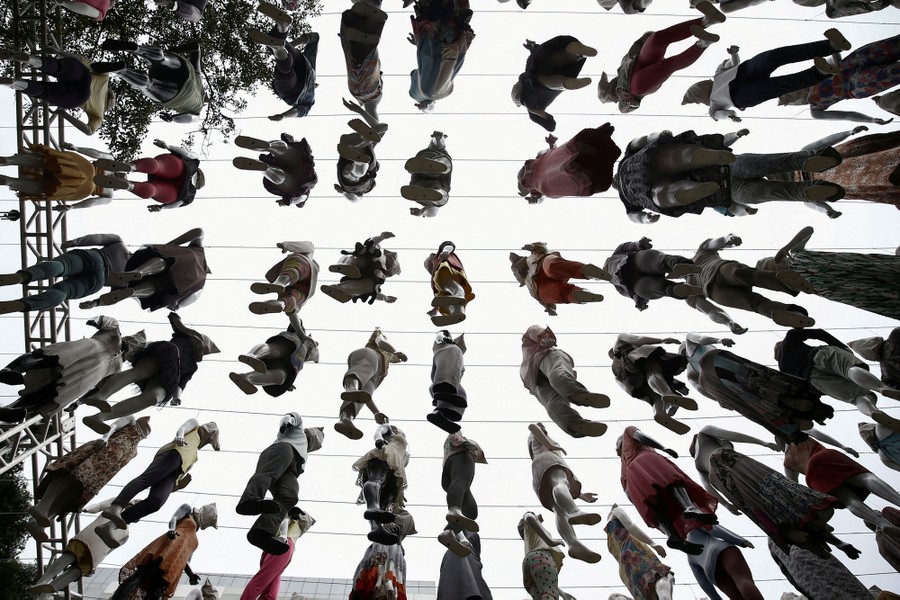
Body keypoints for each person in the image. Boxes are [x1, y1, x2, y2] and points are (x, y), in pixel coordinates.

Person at [691, 427, 859, 560]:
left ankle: (826, 540)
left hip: (728, 488)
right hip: (732, 462)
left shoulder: (698, 464)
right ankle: (835, 539)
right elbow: (733, 435)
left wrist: (727, 505)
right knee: (778, 492)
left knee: (769, 512)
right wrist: (762, 442)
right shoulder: (705, 432)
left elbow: (708, 487)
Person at [682, 333, 833, 445]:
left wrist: (720, 400)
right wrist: (718, 340)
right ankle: (795, 402)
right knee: (760, 381)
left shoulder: (690, 372)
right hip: (717, 362)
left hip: (716, 386)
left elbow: (701, 389)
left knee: (754, 403)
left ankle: (790, 418)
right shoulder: (689, 345)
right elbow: (698, 338)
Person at [80, 312, 218, 433]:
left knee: (154, 397)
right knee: (140, 372)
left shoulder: (192, 366)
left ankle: (99, 418)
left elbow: (181, 384)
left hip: (170, 378)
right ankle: (100, 396)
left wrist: (177, 397)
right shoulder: (186, 336)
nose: (203, 348)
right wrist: (182, 322)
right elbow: (175, 320)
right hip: (167, 355)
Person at [25, 416, 150, 542]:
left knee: (75, 494)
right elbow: (114, 426)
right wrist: (104, 437)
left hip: (103, 472)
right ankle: (42, 507)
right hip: (99, 453)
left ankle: (40, 522)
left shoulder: (135, 451)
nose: (146, 431)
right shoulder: (132, 422)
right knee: (71, 476)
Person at [94, 419, 219, 545]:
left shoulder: (194, 458)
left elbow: (175, 484)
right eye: (209, 439)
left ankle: (110, 527)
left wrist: (179, 485)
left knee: (155, 503)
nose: (207, 441)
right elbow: (182, 428)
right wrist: (180, 437)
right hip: (174, 453)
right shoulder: (195, 426)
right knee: (145, 480)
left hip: (174, 473)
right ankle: (116, 506)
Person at [681, 29, 851, 121]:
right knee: (781, 85)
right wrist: (731, 115)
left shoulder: (717, 75)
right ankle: (820, 72)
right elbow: (719, 115)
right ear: (699, 96)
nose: (702, 86)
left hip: (744, 72)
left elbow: (731, 64)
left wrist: (733, 54)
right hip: (739, 96)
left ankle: (830, 46)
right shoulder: (712, 106)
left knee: (773, 56)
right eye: (697, 90)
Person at [0, 316, 141, 423]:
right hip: (86, 356)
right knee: (47, 358)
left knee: (48, 393)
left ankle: (12, 409)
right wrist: (97, 320)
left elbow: (100, 388)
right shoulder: (115, 335)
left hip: (86, 374)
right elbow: (107, 321)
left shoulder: (118, 367)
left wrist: (78, 402)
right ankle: (10, 372)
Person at [598, 3, 726, 113]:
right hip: (638, 85)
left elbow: (634, 49)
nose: (611, 90)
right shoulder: (623, 102)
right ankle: (702, 43)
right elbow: (626, 109)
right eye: (608, 94)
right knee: (669, 65)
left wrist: (644, 39)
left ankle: (706, 21)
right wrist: (626, 100)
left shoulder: (621, 70)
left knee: (657, 39)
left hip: (639, 63)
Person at [757, 226, 900, 321]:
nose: (774, 265)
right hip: (850, 287)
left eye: (770, 262)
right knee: (882, 295)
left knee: (883, 272)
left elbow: (809, 229)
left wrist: (786, 248)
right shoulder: (791, 283)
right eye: (769, 267)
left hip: (855, 268)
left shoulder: (795, 254)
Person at [617, 426, 718, 555]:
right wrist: (663, 448)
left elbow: (628, 492)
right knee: (672, 480)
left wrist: (640, 503)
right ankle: (689, 506)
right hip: (645, 459)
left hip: (633, 483)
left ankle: (672, 535)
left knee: (657, 506)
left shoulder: (623, 466)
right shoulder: (628, 433)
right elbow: (641, 437)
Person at [776, 327, 900, 431]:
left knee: (857, 398)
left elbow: (805, 390)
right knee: (849, 369)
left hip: (815, 381)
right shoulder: (789, 339)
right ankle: (881, 388)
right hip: (819, 356)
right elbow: (819, 333)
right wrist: (843, 347)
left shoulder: (784, 371)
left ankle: (873, 411)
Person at [685, 233, 815, 329]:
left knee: (740, 275)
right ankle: (794, 313)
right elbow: (711, 311)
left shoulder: (700, 253)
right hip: (715, 291)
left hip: (719, 271)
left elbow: (716, 242)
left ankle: (788, 287)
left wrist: (728, 240)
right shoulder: (686, 291)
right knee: (753, 303)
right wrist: (728, 322)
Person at [237, 413, 323, 555]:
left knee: (289, 496)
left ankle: (262, 531)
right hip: (282, 449)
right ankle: (249, 499)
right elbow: (292, 416)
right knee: (269, 473)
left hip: (291, 469)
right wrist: (286, 424)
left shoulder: (303, 453)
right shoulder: (297, 433)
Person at [784, 431, 900, 536]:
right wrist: (843, 446)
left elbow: (794, 486)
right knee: (866, 478)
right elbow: (817, 434)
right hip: (823, 456)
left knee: (848, 500)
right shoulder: (797, 433)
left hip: (812, 477)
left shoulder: (787, 463)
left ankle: (881, 523)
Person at [767, 127, 899, 215]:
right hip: (842, 181)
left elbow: (824, 142)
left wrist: (849, 133)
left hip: (841, 159)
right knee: (875, 179)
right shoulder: (800, 192)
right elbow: (817, 205)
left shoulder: (801, 156)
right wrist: (828, 211)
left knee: (879, 157)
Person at [777, 33, 899, 124]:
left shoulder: (812, 75)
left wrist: (833, 46)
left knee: (892, 45)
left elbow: (833, 60)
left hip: (852, 62)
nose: (793, 94)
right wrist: (871, 120)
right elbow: (847, 116)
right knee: (893, 72)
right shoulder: (816, 109)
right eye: (788, 98)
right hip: (856, 86)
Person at [79, 228, 208, 312]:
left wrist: (171, 245)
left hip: (182, 259)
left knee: (164, 259)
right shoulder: (200, 287)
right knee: (156, 287)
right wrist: (95, 303)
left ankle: (140, 271)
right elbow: (184, 302)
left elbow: (199, 232)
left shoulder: (199, 251)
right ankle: (134, 291)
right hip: (181, 285)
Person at [0, 233, 131, 314]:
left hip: (94, 269)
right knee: (56, 273)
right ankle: (19, 281)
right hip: (93, 268)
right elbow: (99, 238)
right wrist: (76, 242)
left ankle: (19, 283)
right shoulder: (119, 245)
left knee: (57, 282)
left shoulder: (129, 278)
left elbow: (114, 297)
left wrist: (96, 303)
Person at [528, 422, 602, 563]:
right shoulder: (541, 439)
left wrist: (580, 495)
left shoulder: (535, 449)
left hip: (537, 476)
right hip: (548, 460)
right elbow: (532, 426)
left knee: (559, 509)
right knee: (560, 482)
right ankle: (574, 511)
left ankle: (573, 543)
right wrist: (551, 445)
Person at [111, 503, 217, 599]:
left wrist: (191, 574)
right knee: (142, 575)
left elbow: (186, 559)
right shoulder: (188, 511)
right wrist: (172, 529)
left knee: (156, 592)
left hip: (174, 564)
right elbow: (174, 518)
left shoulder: (195, 540)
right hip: (167, 548)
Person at [520, 325, 610, 438]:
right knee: (554, 395)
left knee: (555, 389)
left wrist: (543, 337)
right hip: (537, 376)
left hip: (541, 365)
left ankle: (574, 406)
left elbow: (533, 330)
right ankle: (575, 417)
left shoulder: (526, 348)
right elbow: (533, 329)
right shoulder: (524, 365)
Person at [0, 48, 115, 134]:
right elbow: (89, 131)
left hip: (85, 77)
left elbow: (82, 60)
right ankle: (14, 83)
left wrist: (59, 52)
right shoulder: (99, 115)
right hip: (77, 98)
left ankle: (31, 60)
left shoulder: (105, 78)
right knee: (44, 91)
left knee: (59, 68)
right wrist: (62, 113)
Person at [28, 504, 132, 595]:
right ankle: (44, 580)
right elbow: (100, 505)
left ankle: (50, 589)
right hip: (89, 537)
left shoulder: (126, 535)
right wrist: (86, 509)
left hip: (98, 554)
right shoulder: (116, 508)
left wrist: (97, 564)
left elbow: (111, 550)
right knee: (71, 555)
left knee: (78, 570)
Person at [100, 39, 206, 122]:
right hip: (181, 96)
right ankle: (121, 71)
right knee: (149, 85)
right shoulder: (197, 109)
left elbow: (196, 47)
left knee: (163, 59)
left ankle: (139, 49)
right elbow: (191, 118)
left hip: (187, 71)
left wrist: (170, 51)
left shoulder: (198, 76)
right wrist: (173, 118)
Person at [609, 334, 697, 435]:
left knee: (654, 397)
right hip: (631, 357)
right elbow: (639, 339)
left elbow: (627, 387)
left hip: (627, 379)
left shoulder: (616, 368)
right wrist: (662, 339)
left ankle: (659, 412)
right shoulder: (621, 340)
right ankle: (667, 393)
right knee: (653, 370)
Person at [517, 126, 622, 203]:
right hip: (548, 168)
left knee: (565, 174)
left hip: (546, 178)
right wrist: (551, 143)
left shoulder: (533, 180)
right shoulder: (534, 167)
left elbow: (538, 198)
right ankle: (574, 163)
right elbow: (550, 151)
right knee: (565, 161)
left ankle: (574, 168)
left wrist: (534, 200)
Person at [93, 138, 204, 211]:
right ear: (197, 186)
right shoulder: (190, 196)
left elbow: (186, 153)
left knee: (158, 166)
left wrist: (167, 146)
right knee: (154, 190)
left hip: (183, 168)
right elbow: (177, 204)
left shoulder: (195, 162)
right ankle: (131, 186)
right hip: (179, 193)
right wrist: (162, 208)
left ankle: (133, 167)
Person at [335, 328, 407, 440]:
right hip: (368, 354)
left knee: (363, 395)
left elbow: (365, 397)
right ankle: (351, 389)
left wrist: (376, 413)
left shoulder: (385, 366)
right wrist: (395, 350)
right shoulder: (380, 340)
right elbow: (381, 342)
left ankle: (346, 420)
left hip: (375, 375)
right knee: (364, 368)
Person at [512, 36, 596, 131]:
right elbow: (537, 55)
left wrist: (539, 112)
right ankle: (575, 54)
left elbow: (551, 126)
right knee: (555, 60)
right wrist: (533, 47)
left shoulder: (531, 106)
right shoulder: (527, 78)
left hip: (547, 84)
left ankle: (568, 80)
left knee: (550, 82)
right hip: (541, 70)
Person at [251, 3, 317, 121]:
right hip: (293, 94)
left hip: (305, 65)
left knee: (277, 40)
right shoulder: (310, 102)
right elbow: (300, 111)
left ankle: (283, 27)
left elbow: (315, 38)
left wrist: (290, 45)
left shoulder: (313, 74)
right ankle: (278, 48)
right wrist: (283, 116)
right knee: (284, 73)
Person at [408, 0, 475, 111]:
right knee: (443, 10)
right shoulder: (429, 88)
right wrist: (427, 105)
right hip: (443, 40)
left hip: (450, 42)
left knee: (448, 11)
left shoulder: (435, 86)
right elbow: (431, 57)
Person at [603, 237, 702, 311]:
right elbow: (626, 246)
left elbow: (632, 295)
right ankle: (680, 264)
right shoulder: (615, 255)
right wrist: (639, 244)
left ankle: (674, 290)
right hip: (634, 262)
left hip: (635, 284)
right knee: (661, 262)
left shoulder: (617, 287)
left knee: (660, 288)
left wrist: (639, 302)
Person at [509, 242, 608, 316]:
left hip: (541, 277)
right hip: (542, 278)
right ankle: (583, 277)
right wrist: (550, 308)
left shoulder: (530, 259)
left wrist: (533, 247)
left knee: (556, 287)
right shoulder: (528, 280)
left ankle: (578, 289)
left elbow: (541, 248)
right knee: (554, 269)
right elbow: (541, 299)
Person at [0, 142, 115, 205]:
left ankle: (9, 161)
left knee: (49, 161)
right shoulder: (109, 195)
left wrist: (77, 148)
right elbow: (92, 202)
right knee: (46, 187)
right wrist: (72, 207)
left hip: (83, 169)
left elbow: (96, 154)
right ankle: (9, 180)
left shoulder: (112, 163)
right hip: (80, 188)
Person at [230, 318, 319, 397]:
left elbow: (315, 358)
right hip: (290, 343)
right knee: (276, 350)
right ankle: (252, 357)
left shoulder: (305, 355)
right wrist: (301, 332)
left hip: (290, 365)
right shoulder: (302, 334)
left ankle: (247, 377)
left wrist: (289, 384)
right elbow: (296, 319)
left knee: (280, 377)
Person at [353, 421, 410, 544]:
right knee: (377, 480)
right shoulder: (391, 430)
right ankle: (373, 508)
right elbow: (379, 431)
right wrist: (379, 439)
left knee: (386, 499)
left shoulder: (405, 451)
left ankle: (376, 527)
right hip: (385, 453)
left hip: (396, 467)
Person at [240, 508, 315, 600]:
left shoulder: (293, 522)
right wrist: (283, 536)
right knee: (261, 582)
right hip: (283, 545)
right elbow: (285, 521)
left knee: (270, 594)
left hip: (277, 547)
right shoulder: (293, 519)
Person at [606, 504, 675, 600]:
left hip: (626, 571)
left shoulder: (609, 539)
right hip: (634, 553)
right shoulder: (616, 511)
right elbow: (631, 526)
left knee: (649, 594)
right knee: (663, 577)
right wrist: (653, 543)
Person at [768, 540, 874, 600]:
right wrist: (839, 544)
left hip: (806, 577)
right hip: (817, 558)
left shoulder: (770, 542)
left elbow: (787, 574)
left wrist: (804, 590)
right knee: (852, 590)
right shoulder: (785, 516)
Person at [233, 134, 317, 208]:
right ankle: (268, 170)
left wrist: (292, 141)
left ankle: (271, 146)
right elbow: (300, 199)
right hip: (299, 177)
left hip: (297, 161)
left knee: (288, 151)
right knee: (287, 182)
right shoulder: (305, 192)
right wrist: (286, 202)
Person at [349, 509, 417, 599]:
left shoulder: (404, 519)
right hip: (380, 550)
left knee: (386, 581)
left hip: (392, 552)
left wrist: (398, 539)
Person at [684, 524, 763, 600]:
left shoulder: (690, 557)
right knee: (742, 580)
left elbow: (702, 581)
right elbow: (713, 528)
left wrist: (715, 598)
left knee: (735, 596)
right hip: (722, 550)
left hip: (711, 570)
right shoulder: (693, 528)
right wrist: (740, 540)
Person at [439, 432, 487, 556]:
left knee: (471, 511)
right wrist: (467, 444)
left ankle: (450, 532)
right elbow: (455, 436)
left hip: (450, 478)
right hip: (459, 460)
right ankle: (454, 509)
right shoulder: (458, 436)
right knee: (461, 481)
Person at [321, 232, 400, 305]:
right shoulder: (380, 256)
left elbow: (375, 293)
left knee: (368, 287)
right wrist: (381, 237)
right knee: (362, 260)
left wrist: (386, 298)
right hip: (360, 259)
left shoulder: (380, 277)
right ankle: (347, 269)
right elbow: (372, 243)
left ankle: (338, 289)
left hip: (360, 272)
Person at [339, 1, 387, 119]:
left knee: (370, 55)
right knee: (354, 60)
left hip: (368, 84)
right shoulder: (369, 102)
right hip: (356, 86)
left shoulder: (374, 100)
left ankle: (357, 42)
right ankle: (354, 42)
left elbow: (378, 127)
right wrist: (359, 110)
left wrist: (360, 110)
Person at [335, 98, 386, 202]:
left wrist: (359, 110)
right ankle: (360, 159)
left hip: (366, 159)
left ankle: (360, 158)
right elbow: (355, 200)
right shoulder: (355, 187)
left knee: (381, 126)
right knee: (353, 174)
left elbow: (382, 127)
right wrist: (343, 192)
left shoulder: (370, 157)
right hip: (357, 162)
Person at [248, 241, 318, 316]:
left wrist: (286, 245)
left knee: (293, 270)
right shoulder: (313, 263)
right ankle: (281, 304)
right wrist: (298, 327)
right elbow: (293, 315)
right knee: (290, 299)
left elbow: (309, 246)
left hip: (303, 265)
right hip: (305, 291)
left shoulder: (303, 257)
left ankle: (279, 283)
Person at [517, 511, 576, 600]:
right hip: (541, 556)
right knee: (549, 595)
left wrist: (562, 594)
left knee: (542, 596)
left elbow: (544, 582)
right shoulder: (529, 517)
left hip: (530, 565)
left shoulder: (530, 537)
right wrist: (550, 541)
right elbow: (529, 517)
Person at [424, 241, 474, 326]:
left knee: (453, 288)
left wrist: (445, 251)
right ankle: (455, 313)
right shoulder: (436, 276)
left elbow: (450, 245)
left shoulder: (445, 259)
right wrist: (435, 308)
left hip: (451, 271)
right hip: (450, 281)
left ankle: (458, 309)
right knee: (444, 295)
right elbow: (438, 300)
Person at [404, 131, 452, 217]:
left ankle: (436, 190)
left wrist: (438, 138)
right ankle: (436, 190)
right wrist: (422, 212)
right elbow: (435, 210)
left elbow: (437, 145)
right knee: (439, 170)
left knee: (443, 167)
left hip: (428, 163)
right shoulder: (421, 199)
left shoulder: (437, 151)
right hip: (426, 181)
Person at [428, 331, 468, 432]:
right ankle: (444, 390)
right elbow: (440, 334)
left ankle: (440, 413)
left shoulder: (457, 360)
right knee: (455, 351)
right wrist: (444, 338)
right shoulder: (452, 348)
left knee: (462, 394)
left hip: (439, 380)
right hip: (443, 377)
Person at [437, 531, 492, 599]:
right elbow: (453, 525)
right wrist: (462, 538)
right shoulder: (457, 553)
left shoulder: (471, 555)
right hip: (461, 557)